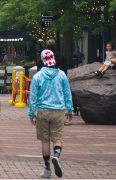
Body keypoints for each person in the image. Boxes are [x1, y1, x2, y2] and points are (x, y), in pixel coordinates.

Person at [28, 49, 74, 178]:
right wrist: (70, 110)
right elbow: (67, 93)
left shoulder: (37, 76)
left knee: (45, 140)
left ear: (42, 61)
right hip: (58, 111)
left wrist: (32, 113)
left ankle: (47, 168)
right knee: (57, 138)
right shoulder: (61, 75)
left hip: (43, 111)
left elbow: (33, 97)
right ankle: (57, 156)